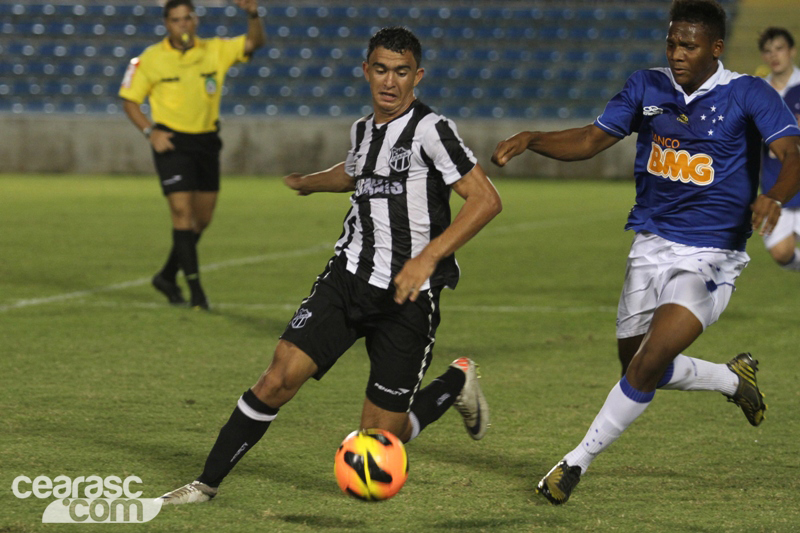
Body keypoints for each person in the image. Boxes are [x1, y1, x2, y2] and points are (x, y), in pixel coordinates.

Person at [159, 26, 502, 504]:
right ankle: (204, 485)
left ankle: (453, 383)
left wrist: (427, 258)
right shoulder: (362, 130)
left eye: (401, 72)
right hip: (347, 280)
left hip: (407, 298)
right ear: (366, 71)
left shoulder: (431, 130)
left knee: (379, 440)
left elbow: (486, 200)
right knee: (278, 378)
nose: (390, 81)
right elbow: (354, 171)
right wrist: (309, 182)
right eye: (381, 69)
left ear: (417, 76)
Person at [492, 0, 800, 505]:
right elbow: (591, 139)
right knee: (636, 366)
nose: (676, 54)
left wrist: (776, 196)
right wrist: (532, 139)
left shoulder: (748, 93)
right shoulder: (646, 86)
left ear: (716, 48)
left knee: (649, 360)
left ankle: (574, 463)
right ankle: (730, 379)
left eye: (689, 46)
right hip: (650, 244)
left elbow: (792, 154)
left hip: (711, 253)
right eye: (672, 43)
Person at [119, 0, 266, 309]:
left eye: (187, 18)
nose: (182, 24)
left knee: (202, 219)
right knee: (181, 213)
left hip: (206, 142)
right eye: (176, 20)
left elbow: (254, 42)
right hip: (172, 142)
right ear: (166, 24)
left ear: (195, 21)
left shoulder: (215, 50)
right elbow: (130, 100)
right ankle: (196, 292)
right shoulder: (150, 58)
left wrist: (253, 14)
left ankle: (166, 276)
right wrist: (150, 132)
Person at [757, 28, 800, 270]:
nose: (773, 55)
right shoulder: (759, 93)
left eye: (779, 48)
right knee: (781, 253)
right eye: (767, 51)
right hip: (776, 186)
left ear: (792, 51)